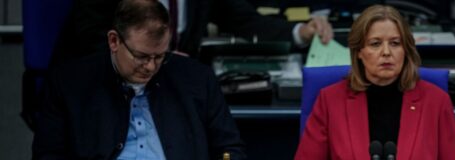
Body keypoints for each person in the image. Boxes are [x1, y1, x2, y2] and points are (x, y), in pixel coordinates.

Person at [32, 0, 246, 160]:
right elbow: (47, 158)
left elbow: (229, 149)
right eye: (141, 56)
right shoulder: (71, 82)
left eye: (160, 56)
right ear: (114, 41)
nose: (150, 67)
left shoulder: (197, 80)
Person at [288, 4, 455, 160]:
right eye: (375, 44)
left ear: (406, 50)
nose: (386, 52)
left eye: (395, 43)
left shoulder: (436, 101)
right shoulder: (330, 100)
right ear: (359, 52)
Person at [52, 0, 333, 62]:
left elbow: (239, 17)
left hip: (174, 80)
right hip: (107, 76)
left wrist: (299, 31)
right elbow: (87, 36)